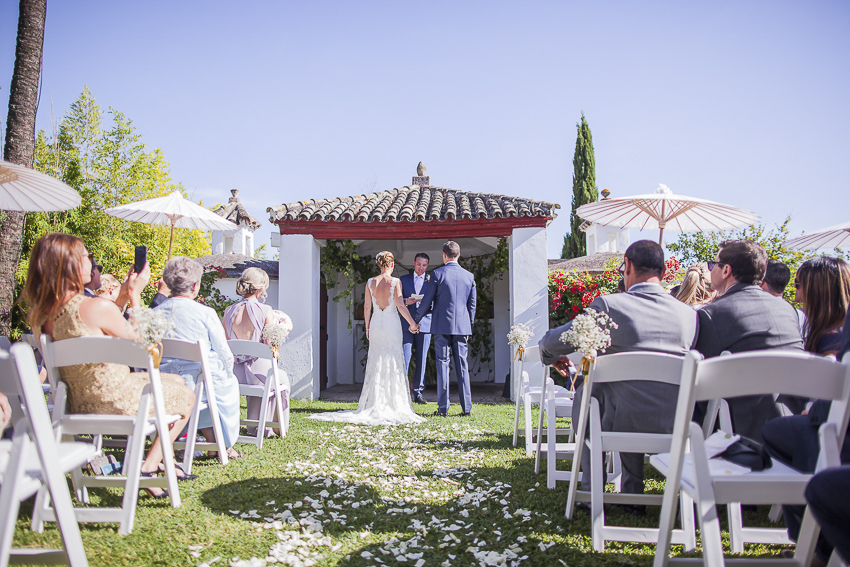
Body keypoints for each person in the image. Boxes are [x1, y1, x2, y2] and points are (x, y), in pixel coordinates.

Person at [23, 233, 195, 498]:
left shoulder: (40, 314)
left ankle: (155, 464)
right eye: (87, 257)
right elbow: (145, 346)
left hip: (74, 403)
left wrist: (122, 297)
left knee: (176, 382)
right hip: (117, 400)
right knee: (187, 395)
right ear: (70, 265)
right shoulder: (95, 307)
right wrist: (136, 296)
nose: (91, 263)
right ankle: (148, 467)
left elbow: (97, 326)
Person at [539, 240, 698, 506]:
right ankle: (633, 493)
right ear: (665, 272)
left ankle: (592, 493)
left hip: (617, 420)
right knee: (630, 391)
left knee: (594, 395)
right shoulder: (690, 316)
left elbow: (549, 343)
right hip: (675, 421)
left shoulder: (610, 307)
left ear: (629, 266)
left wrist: (551, 357)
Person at [760, 258, 850, 564]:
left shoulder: (832, 340)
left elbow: (836, 390)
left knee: (787, 433)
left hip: (837, 425)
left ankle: (811, 542)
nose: (795, 295)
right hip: (828, 421)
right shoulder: (825, 328)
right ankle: (812, 542)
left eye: (798, 286)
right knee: (798, 434)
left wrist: (812, 411)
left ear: (817, 291)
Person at [694, 239, 803, 440]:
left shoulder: (711, 314)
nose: (710, 270)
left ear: (726, 270)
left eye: (712, 264)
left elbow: (701, 385)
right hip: (795, 423)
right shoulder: (788, 310)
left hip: (741, 432)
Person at [309, 251, 425, 426]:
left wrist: (367, 327)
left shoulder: (370, 282)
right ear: (392, 264)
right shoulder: (395, 281)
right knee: (393, 360)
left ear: (379, 265)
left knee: (377, 361)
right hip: (392, 324)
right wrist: (413, 323)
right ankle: (392, 403)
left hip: (377, 323)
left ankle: (375, 402)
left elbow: (367, 307)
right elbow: (400, 305)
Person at [156, 257, 242, 459]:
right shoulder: (205, 313)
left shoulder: (156, 312)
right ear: (195, 287)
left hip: (165, 381)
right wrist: (227, 372)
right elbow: (223, 351)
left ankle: (211, 443)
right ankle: (222, 443)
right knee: (227, 383)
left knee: (203, 381)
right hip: (201, 384)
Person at [415, 242, 477, 417]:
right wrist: (468, 326)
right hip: (462, 328)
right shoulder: (469, 276)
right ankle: (467, 408)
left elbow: (427, 301)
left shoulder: (437, 274)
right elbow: (472, 306)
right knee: (462, 366)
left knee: (442, 365)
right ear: (458, 254)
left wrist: (415, 319)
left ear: (444, 255)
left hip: (442, 326)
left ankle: (443, 408)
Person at [224, 267, 280, 437]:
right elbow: (268, 343)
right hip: (257, 373)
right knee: (280, 377)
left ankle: (253, 425)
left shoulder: (228, 310)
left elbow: (225, 343)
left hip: (233, 372)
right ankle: (269, 426)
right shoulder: (265, 310)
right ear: (261, 286)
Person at [400, 253, 432, 404]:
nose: (421, 268)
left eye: (424, 265)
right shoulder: (403, 279)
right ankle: (402, 391)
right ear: (414, 263)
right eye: (419, 264)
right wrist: (407, 301)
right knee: (405, 358)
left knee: (422, 359)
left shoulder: (432, 280)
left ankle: (418, 392)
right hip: (407, 324)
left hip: (425, 325)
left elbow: (436, 301)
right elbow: (397, 301)